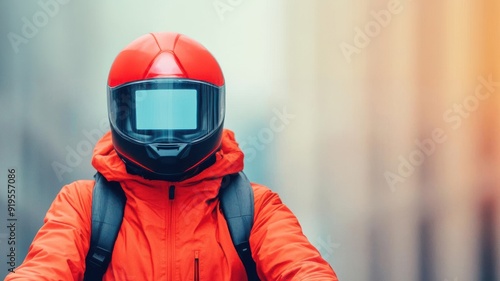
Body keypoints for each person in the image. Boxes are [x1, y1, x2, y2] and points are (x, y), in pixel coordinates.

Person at [4, 32, 338, 281]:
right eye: (152, 114)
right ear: (121, 112)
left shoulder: (255, 210)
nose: (168, 136)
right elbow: (43, 270)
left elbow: (303, 269)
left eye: (180, 113)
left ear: (213, 110)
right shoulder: (82, 205)